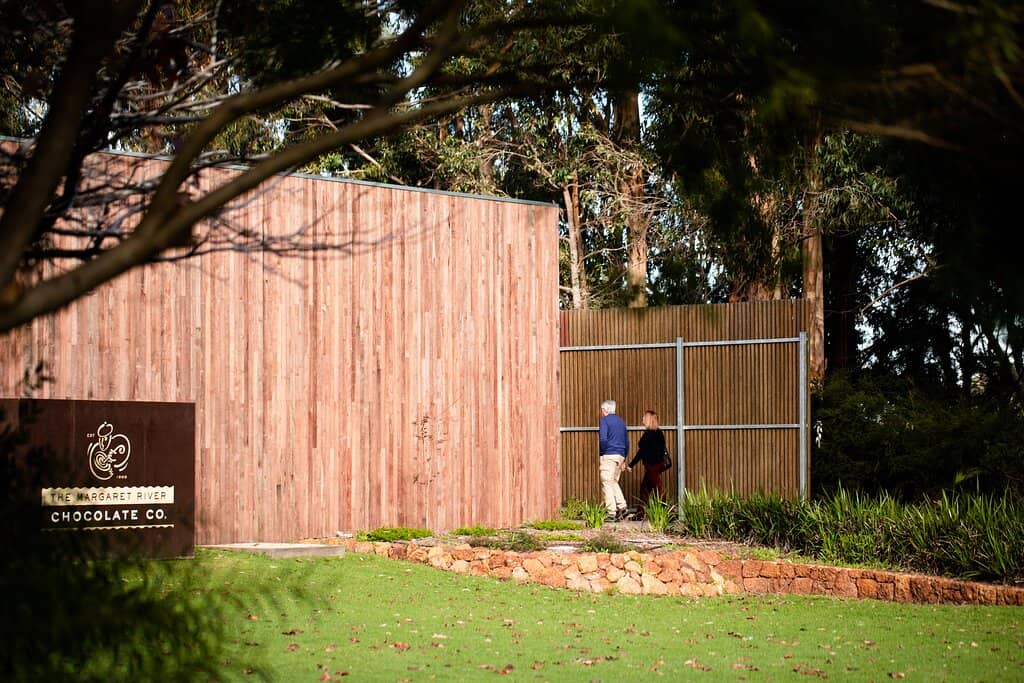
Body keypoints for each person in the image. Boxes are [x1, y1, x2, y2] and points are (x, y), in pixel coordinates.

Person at [627, 409, 668, 516]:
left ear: (649, 419)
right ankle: (640, 513)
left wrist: (631, 464)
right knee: (644, 489)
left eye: (644, 417)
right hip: (655, 465)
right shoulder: (658, 433)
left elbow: (642, 452)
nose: (642, 419)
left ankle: (667, 512)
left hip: (652, 466)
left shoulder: (649, 434)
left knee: (658, 489)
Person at [598, 398, 629, 521]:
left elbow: (603, 439)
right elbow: (627, 441)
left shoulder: (604, 421)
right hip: (620, 455)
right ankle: (623, 507)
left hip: (609, 455)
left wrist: (602, 453)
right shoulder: (621, 422)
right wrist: (624, 457)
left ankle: (611, 512)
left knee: (606, 482)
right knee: (613, 482)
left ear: (604, 410)